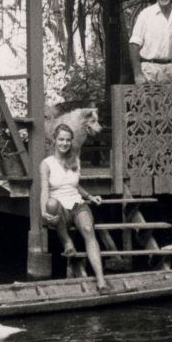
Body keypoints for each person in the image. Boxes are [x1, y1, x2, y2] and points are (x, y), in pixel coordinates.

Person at [40, 123, 109, 292]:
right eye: (61, 139)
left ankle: (101, 281)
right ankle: (67, 242)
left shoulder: (75, 160)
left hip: (77, 204)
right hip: (59, 208)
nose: (64, 143)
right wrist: (43, 211)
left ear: (71, 142)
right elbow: (44, 190)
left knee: (87, 228)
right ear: (54, 141)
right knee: (51, 203)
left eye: (68, 140)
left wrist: (90, 197)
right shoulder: (46, 164)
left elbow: (75, 185)